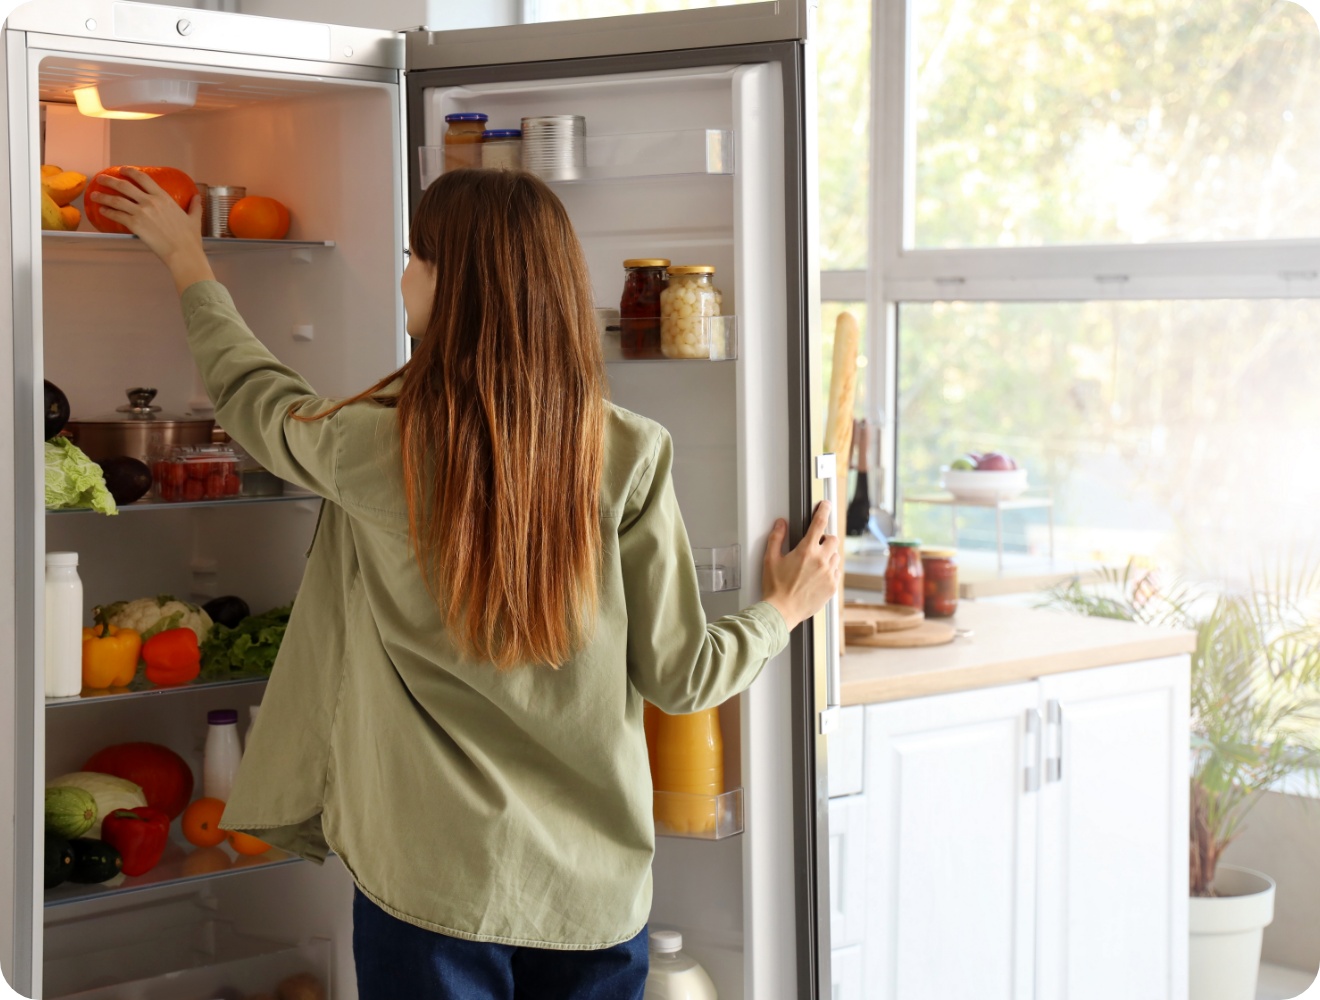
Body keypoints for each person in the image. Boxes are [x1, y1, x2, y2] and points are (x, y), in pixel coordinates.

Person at [90, 167, 840, 999]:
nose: (403, 274)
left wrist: (189, 260)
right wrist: (784, 607)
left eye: (417, 256)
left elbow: (252, 393)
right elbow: (682, 674)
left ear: (457, 287)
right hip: (591, 898)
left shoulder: (373, 447)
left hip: (429, 889)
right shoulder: (628, 452)